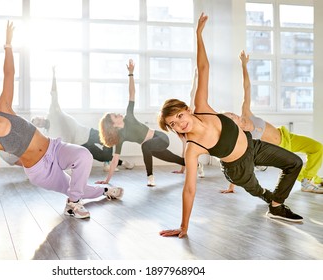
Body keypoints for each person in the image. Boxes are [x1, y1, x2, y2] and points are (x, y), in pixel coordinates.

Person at [0, 21, 123, 222]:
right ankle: (104, 191)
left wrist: (8, 45)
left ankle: (73, 204)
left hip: (54, 149)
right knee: (77, 190)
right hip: (41, 171)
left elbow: (9, 74)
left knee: (84, 156)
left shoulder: (4, 108)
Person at [157, 13, 303, 238]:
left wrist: (198, 35)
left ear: (186, 109)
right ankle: (272, 203)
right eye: (173, 125)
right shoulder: (192, 147)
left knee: (294, 162)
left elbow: (203, 67)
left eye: (178, 116)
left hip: (254, 146)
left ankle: (275, 206)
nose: (179, 124)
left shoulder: (202, 106)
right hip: (238, 169)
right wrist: (184, 226)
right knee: (259, 191)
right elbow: (189, 189)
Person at [221, 50, 323, 194]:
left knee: (318, 148)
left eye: (231, 113)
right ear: (231, 125)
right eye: (230, 117)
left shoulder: (246, 113)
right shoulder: (241, 136)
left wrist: (244, 65)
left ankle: (308, 180)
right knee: (292, 170)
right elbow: (233, 160)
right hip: (279, 151)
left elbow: (247, 87)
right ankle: (309, 181)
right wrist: (231, 186)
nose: (233, 114)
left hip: (287, 137)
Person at [97, 59, 185, 187]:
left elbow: (132, 93)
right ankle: (197, 166)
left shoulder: (129, 116)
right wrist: (107, 180)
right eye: (116, 116)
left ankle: (150, 177)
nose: (119, 114)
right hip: (150, 147)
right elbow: (115, 159)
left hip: (160, 138)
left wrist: (131, 74)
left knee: (144, 146)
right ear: (113, 125)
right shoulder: (120, 136)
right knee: (175, 159)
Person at [30, 66, 134, 172]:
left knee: (108, 139)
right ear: (39, 126)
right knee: (102, 156)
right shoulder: (48, 134)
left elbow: (53, 93)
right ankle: (122, 163)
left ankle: (109, 164)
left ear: (41, 117)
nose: (39, 122)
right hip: (81, 144)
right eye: (37, 123)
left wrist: (54, 75)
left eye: (38, 119)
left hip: (86, 132)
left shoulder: (53, 112)